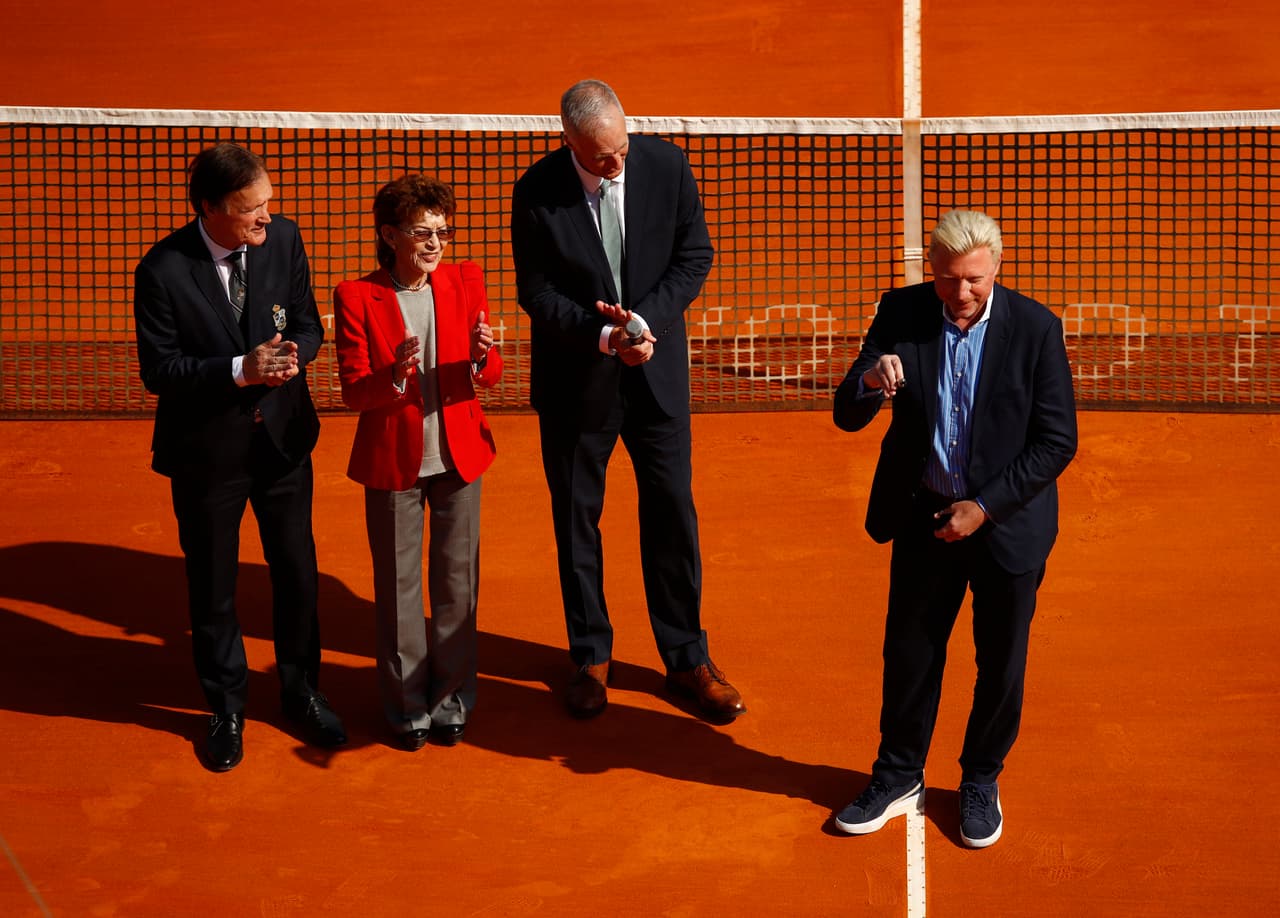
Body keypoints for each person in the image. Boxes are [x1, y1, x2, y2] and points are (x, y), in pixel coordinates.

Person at [831, 209, 1077, 847]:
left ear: (996, 266)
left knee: (1000, 665)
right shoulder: (903, 311)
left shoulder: (1035, 329)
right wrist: (868, 380)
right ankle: (897, 775)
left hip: (1003, 527)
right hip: (923, 516)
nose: (960, 294)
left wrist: (985, 506)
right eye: (946, 279)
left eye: (972, 279)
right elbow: (846, 414)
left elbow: (1057, 442)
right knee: (910, 655)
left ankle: (980, 778)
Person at [510, 78, 745, 723]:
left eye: (622, 148)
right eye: (603, 157)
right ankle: (589, 657)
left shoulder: (665, 164)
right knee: (577, 520)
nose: (618, 163)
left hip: (657, 376)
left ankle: (687, 658)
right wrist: (605, 335)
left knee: (671, 514)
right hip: (577, 384)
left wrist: (645, 324)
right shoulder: (535, 192)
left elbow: (694, 256)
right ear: (571, 143)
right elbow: (536, 291)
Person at [134, 142, 346, 772]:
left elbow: (308, 324)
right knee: (215, 587)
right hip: (208, 456)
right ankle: (226, 706)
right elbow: (159, 370)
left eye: (268, 204)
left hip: (281, 444)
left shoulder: (282, 240)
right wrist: (239, 369)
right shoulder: (163, 270)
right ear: (210, 208)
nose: (266, 218)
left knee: (297, 573)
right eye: (251, 208)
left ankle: (302, 689)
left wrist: (292, 359)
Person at [334, 174, 503, 752]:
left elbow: (491, 372)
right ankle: (408, 710)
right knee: (401, 592)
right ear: (389, 235)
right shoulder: (357, 296)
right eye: (422, 232)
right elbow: (356, 393)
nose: (435, 243)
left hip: (458, 455)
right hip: (394, 463)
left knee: (457, 586)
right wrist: (398, 373)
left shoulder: (463, 281)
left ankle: (452, 701)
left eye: (443, 231)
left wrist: (482, 358)